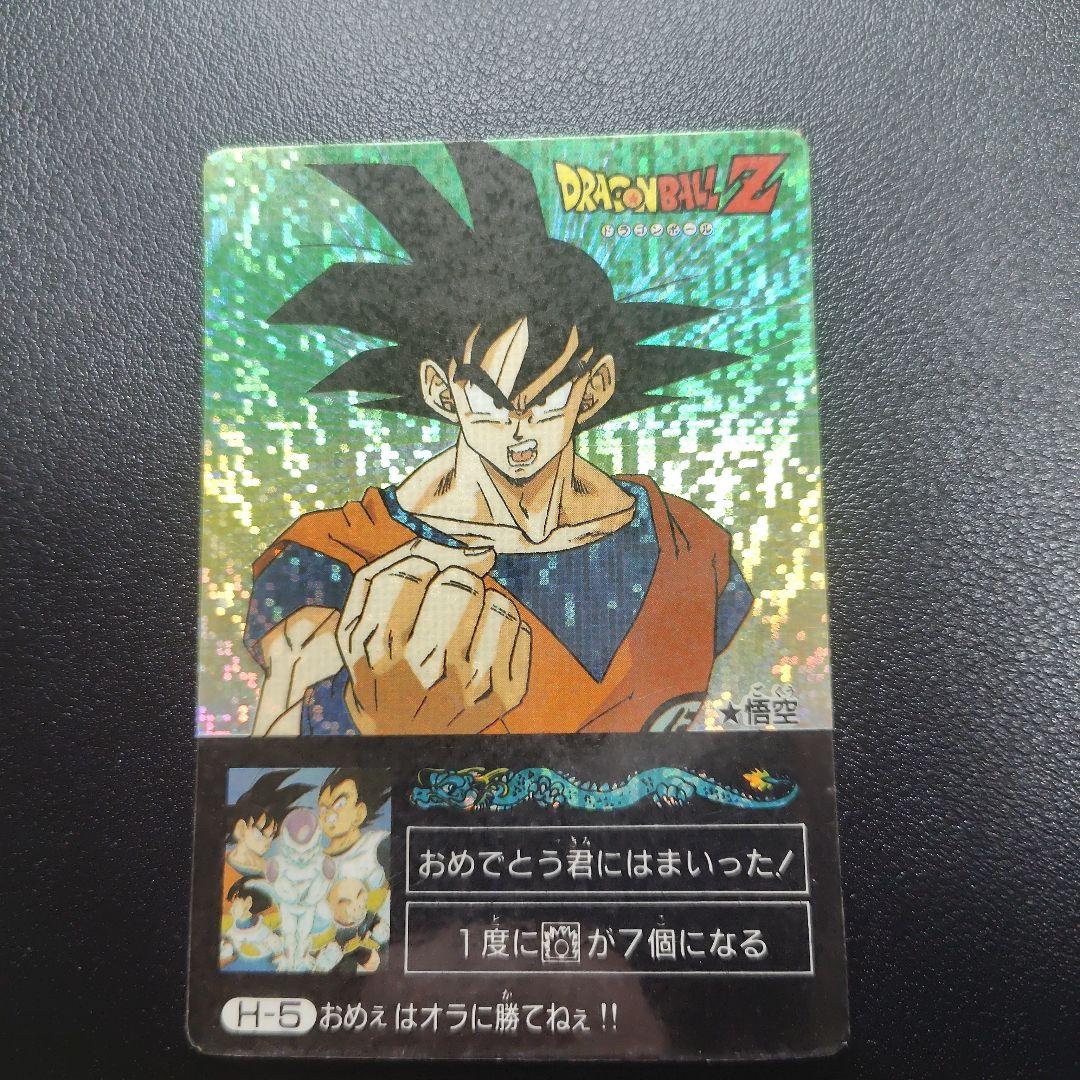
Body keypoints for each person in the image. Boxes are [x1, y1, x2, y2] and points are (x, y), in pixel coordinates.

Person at [245, 142, 754, 736]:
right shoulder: (334, 558)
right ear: (441, 390)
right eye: (491, 394)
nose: (519, 421)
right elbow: (270, 767)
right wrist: (378, 725)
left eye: (547, 393)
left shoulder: (690, 546)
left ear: (595, 388)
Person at [316, 768, 390, 952]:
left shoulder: (377, 844)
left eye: (340, 804)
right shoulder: (315, 862)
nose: (329, 815)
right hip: (335, 945)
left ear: (359, 812)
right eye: (323, 809)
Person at [222, 770, 311, 907]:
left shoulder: (276, 868)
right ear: (241, 829)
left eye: (272, 835)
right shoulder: (223, 868)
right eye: (261, 834)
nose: (267, 842)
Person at [219, 876, 282, 971]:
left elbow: (277, 951)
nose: (231, 908)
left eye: (235, 902)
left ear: (248, 902)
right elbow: (228, 950)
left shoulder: (264, 931)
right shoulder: (232, 930)